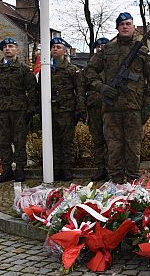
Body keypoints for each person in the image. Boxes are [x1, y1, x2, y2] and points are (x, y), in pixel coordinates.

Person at [85, 12, 150, 183]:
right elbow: (89, 71)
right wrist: (101, 87)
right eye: (121, 24)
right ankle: (116, 182)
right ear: (117, 27)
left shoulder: (142, 51)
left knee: (133, 148)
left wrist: (146, 107)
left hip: (134, 108)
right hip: (111, 110)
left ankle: (133, 182)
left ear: (133, 27)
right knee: (114, 147)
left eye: (128, 23)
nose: (125, 26)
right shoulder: (107, 50)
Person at [42, 37, 86, 181]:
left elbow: (79, 91)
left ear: (64, 50)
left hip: (66, 111)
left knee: (67, 142)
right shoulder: (46, 69)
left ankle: (66, 169)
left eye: (58, 47)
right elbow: (39, 90)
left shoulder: (71, 70)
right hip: (50, 111)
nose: (55, 49)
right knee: (52, 142)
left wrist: (79, 111)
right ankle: (55, 169)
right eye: (53, 46)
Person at [0, 38, 38, 182]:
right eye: (5, 47)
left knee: (19, 141)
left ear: (17, 49)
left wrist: (31, 110)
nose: (7, 49)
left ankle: (20, 169)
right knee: (3, 141)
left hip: (19, 110)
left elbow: (32, 89)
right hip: (2, 111)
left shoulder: (23, 69)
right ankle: (7, 169)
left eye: (10, 46)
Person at [85, 37, 110, 181]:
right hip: (94, 108)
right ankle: (101, 168)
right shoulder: (91, 67)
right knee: (98, 140)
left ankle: (111, 169)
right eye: (98, 46)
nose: (101, 48)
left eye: (104, 46)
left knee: (111, 140)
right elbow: (82, 87)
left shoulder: (113, 65)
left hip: (110, 108)